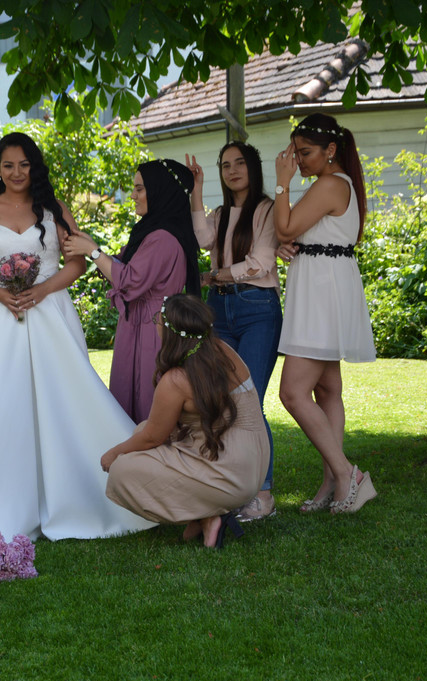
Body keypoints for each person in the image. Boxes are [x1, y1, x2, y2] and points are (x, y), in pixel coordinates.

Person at [0, 132, 155, 544]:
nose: (16, 172)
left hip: (49, 312)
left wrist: (42, 290)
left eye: (24, 164)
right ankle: (4, 498)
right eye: (8, 165)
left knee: (65, 396)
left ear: (34, 167)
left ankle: (86, 489)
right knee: (6, 401)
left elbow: (77, 263)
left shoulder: (55, 210)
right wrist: (2, 295)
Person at [103, 294, 270, 548]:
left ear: (170, 332)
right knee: (141, 430)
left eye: (158, 319)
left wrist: (113, 454)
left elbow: (152, 437)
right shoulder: (223, 351)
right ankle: (206, 515)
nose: (156, 323)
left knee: (122, 471)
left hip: (228, 473)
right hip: (254, 467)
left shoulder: (176, 380)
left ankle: (207, 513)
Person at [274, 113, 378, 514]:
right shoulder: (333, 184)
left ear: (330, 150)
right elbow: (294, 234)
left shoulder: (331, 184)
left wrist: (282, 181)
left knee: (292, 392)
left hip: (321, 295)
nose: (297, 160)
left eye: (304, 153)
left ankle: (348, 474)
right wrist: (286, 244)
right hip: (324, 288)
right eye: (294, 153)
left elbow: (285, 227)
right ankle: (332, 482)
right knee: (327, 389)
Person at [185, 143, 282, 521]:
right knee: (222, 401)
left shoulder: (267, 209)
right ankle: (230, 487)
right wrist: (196, 189)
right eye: (225, 165)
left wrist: (215, 275)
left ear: (253, 167)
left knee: (250, 401)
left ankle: (264, 494)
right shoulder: (221, 214)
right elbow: (201, 240)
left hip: (257, 309)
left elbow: (260, 263)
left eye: (240, 163)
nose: (233, 170)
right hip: (220, 311)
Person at [63, 159, 200, 423]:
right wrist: (91, 247)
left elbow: (129, 280)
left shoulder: (163, 237)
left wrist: (93, 252)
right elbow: (122, 264)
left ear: (160, 190)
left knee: (148, 404)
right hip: (138, 323)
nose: (133, 196)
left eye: (140, 189)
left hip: (153, 328)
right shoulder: (151, 231)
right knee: (128, 403)